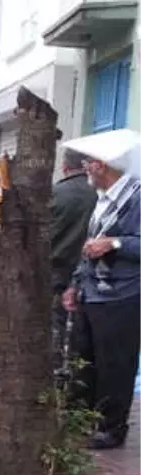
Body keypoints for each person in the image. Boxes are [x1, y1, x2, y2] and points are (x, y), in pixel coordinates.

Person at [63, 146, 141, 450]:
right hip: (91, 292)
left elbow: (120, 242)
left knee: (115, 364)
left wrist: (115, 243)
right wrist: (75, 284)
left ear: (101, 166)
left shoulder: (135, 197)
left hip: (123, 295)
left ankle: (111, 428)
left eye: (88, 164)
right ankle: (84, 419)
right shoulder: (102, 201)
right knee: (84, 359)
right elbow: (89, 246)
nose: (84, 170)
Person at [50, 149, 97, 373]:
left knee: (55, 324)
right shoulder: (99, 194)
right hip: (92, 272)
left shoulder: (55, 193)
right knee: (82, 328)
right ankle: (79, 373)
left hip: (55, 271)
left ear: (65, 166)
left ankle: (56, 373)